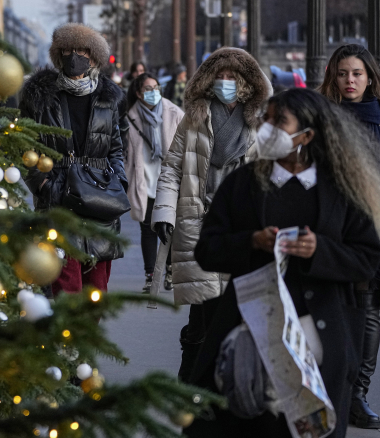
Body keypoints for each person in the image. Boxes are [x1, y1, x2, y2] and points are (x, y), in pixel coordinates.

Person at [186, 88, 380, 437]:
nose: (267, 127)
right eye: (267, 118)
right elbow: (207, 249)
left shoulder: (342, 189)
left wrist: (319, 251)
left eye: (279, 121)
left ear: (306, 135)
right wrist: (251, 241)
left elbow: (367, 259)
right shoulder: (244, 183)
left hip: (320, 340)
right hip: (250, 331)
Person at [150, 47, 273, 379]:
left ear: (247, 81)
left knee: (236, 306)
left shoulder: (261, 122)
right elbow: (173, 168)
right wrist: (163, 212)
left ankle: (224, 382)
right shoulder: (194, 118)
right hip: (199, 219)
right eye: (219, 75)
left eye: (232, 76)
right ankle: (192, 377)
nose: (225, 81)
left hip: (244, 226)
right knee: (202, 310)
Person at [20, 23, 127, 294]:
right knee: (66, 287)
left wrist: (118, 180)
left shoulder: (108, 98)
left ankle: (87, 336)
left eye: (81, 50)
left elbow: (116, 146)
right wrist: (43, 186)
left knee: (97, 290)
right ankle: (65, 338)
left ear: (93, 56)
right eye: (67, 50)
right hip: (59, 198)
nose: (74, 56)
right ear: (58, 55)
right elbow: (25, 146)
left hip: (99, 200)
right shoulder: (39, 96)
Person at [318, 43, 380, 428]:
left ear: (370, 77)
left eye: (357, 73)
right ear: (333, 77)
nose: (350, 80)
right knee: (336, 306)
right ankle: (332, 389)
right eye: (343, 73)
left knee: (371, 309)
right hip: (335, 223)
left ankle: (357, 392)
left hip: (374, 223)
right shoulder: (323, 115)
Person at [124, 73, 185, 293]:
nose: (154, 92)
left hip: (169, 181)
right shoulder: (130, 118)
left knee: (168, 227)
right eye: (148, 88)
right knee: (147, 229)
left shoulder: (173, 112)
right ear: (139, 94)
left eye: (156, 87)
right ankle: (151, 275)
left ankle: (169, 268)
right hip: (143, 181)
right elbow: (125, 152)